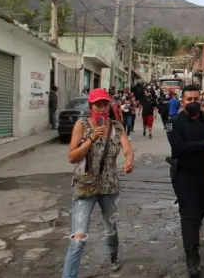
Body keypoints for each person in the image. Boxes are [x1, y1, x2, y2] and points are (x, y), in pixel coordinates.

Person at [62, 88, 134, 278]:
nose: (102, 108)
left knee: (110, 230)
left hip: (109, 188)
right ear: (91, 106)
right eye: (98, 105)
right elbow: (72, 156)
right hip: (84, 188)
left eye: (105, 104)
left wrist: (129, 160)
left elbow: (127, 148)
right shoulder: (82, 125)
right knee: (78, 239)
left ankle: (113, 257)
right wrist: (92, 139)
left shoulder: (117, 127)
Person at [166, 85, 204, 277]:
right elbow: (178, 148)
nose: (192, 103)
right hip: (184, 175)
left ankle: (194, 230)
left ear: (201, 101)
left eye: (196, 99)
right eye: (189, 99)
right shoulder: (173, 122)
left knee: (202, 209)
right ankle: (192, 258)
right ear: (182, 102)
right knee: (189, 215)